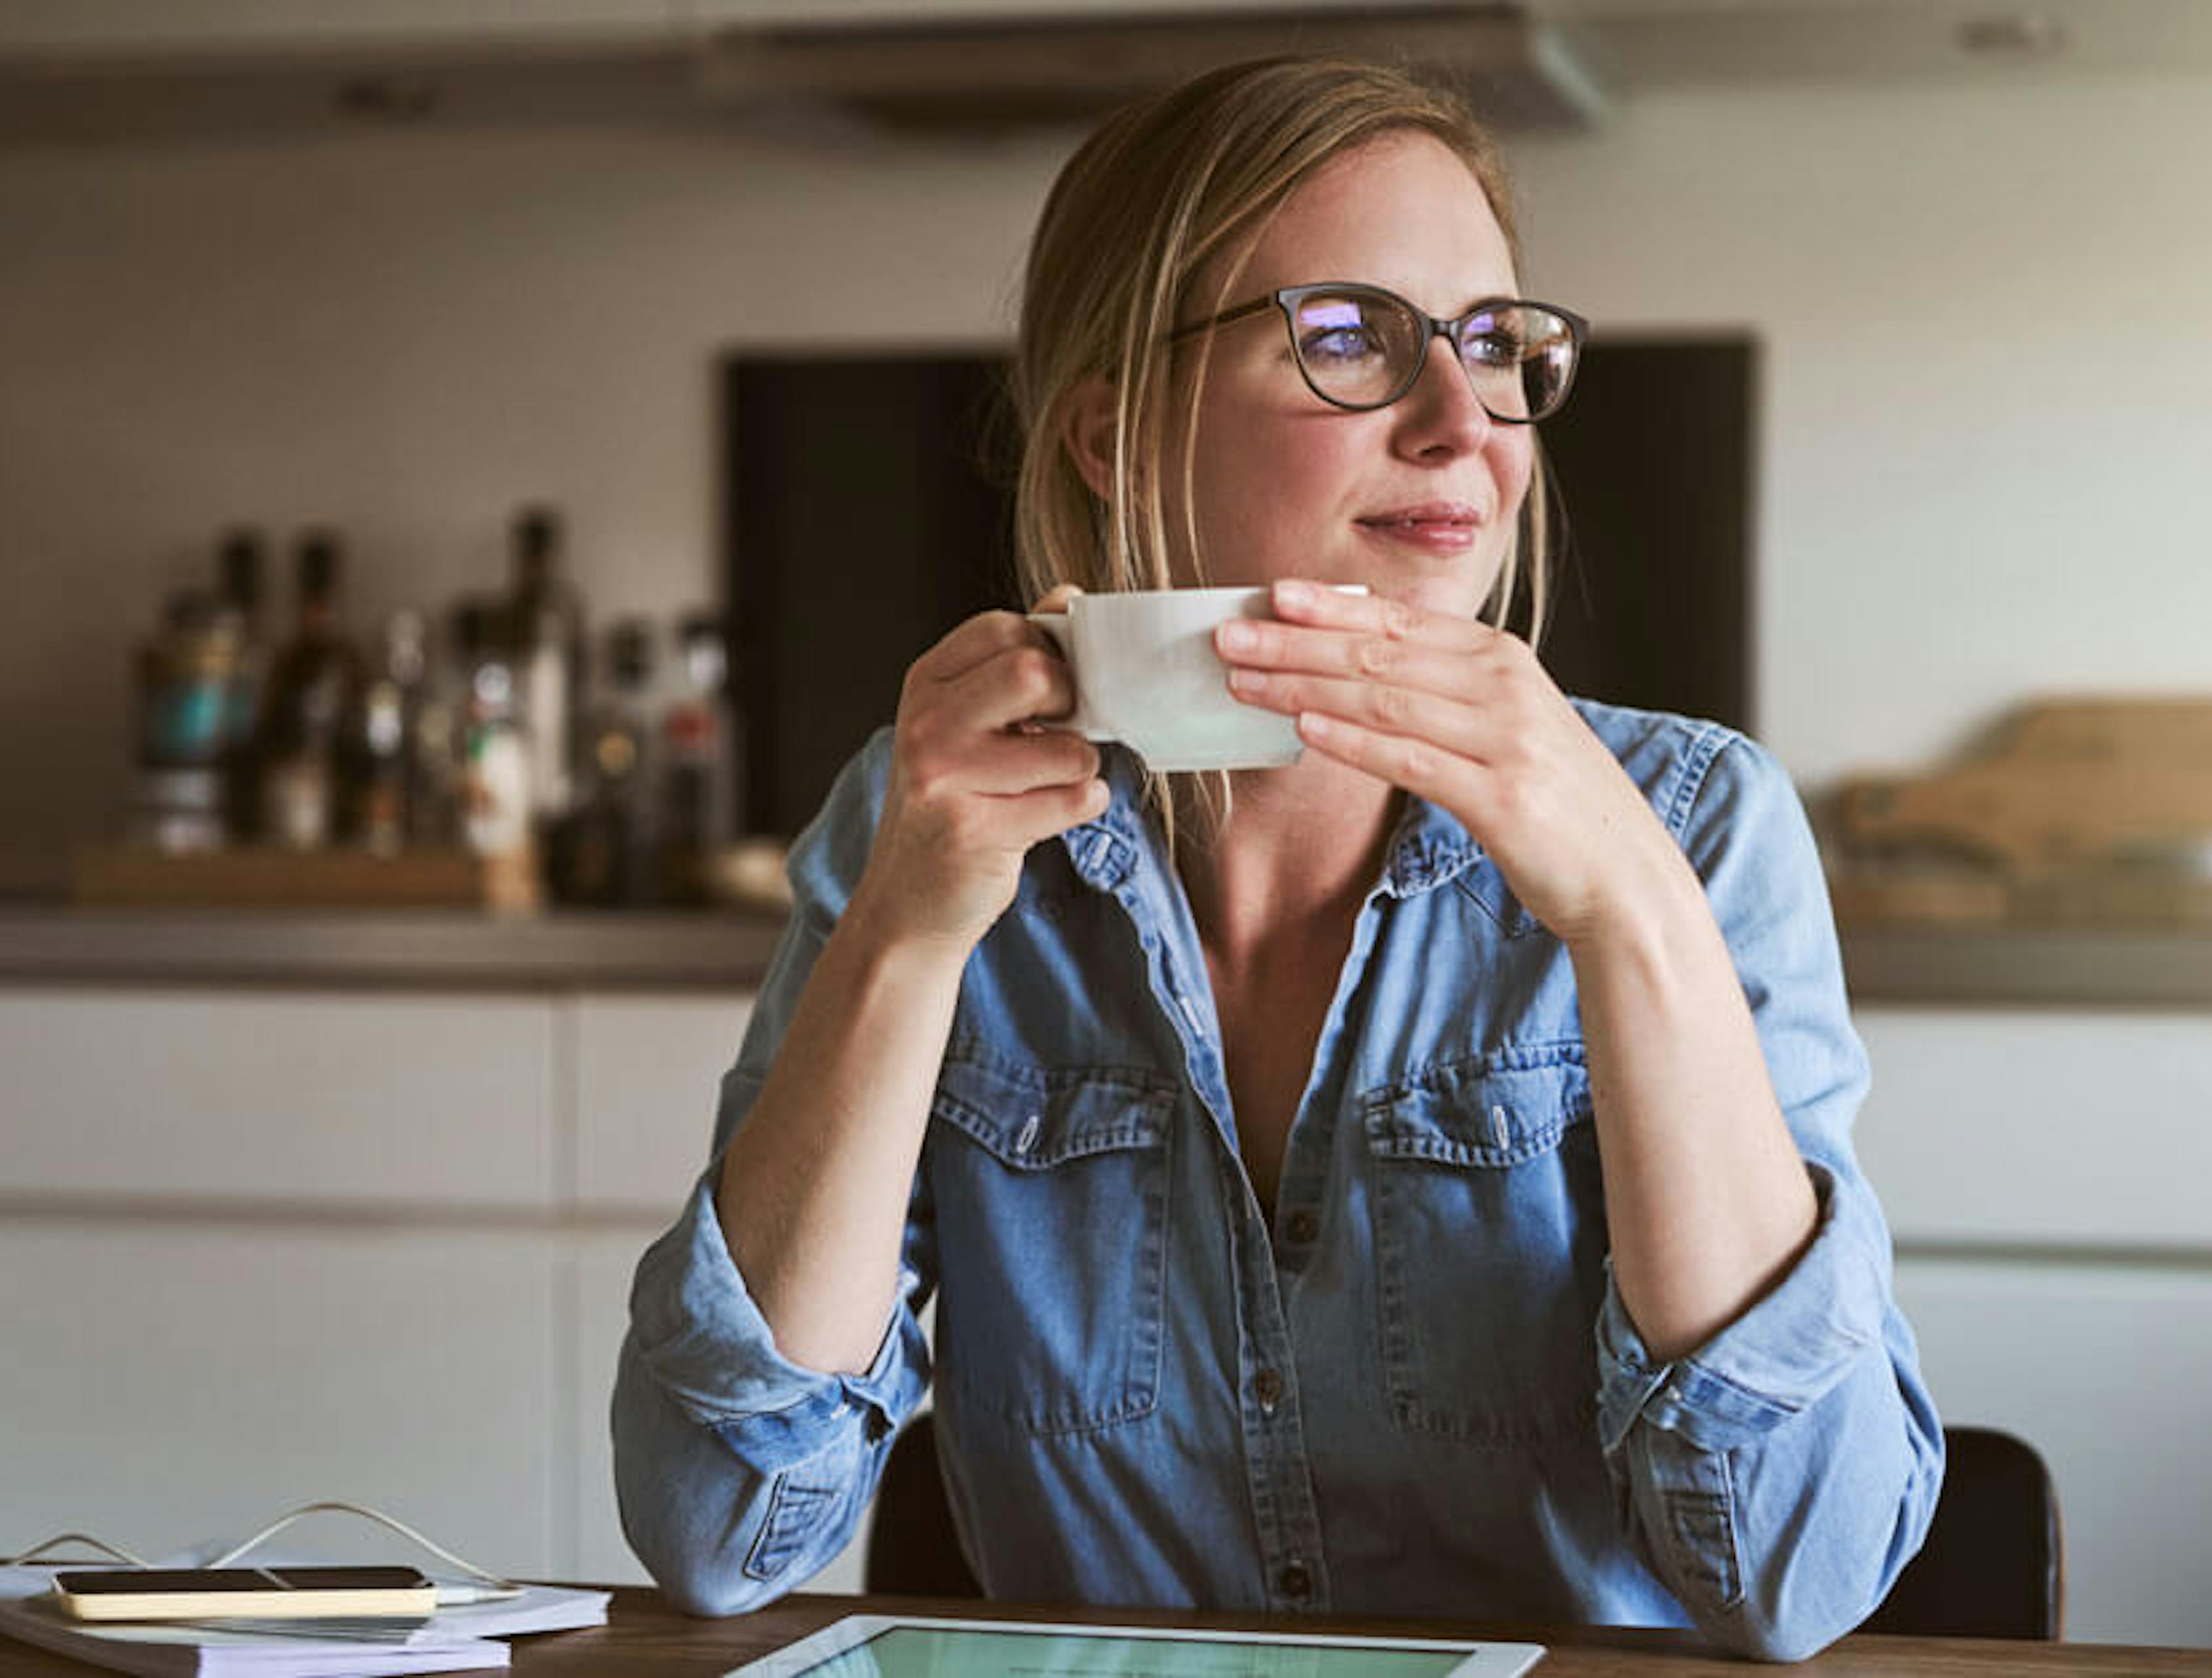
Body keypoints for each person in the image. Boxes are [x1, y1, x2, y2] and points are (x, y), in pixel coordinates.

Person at [613, 55, 1943, 1662]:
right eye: (1346, 340)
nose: (1466, 426)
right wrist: (903, 940)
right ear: (1112, 434)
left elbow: (1798, 1571)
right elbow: (717, 1531)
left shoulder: (1698, 820)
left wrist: (1630, 907)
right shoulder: (922, 829)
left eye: (1494, 346)